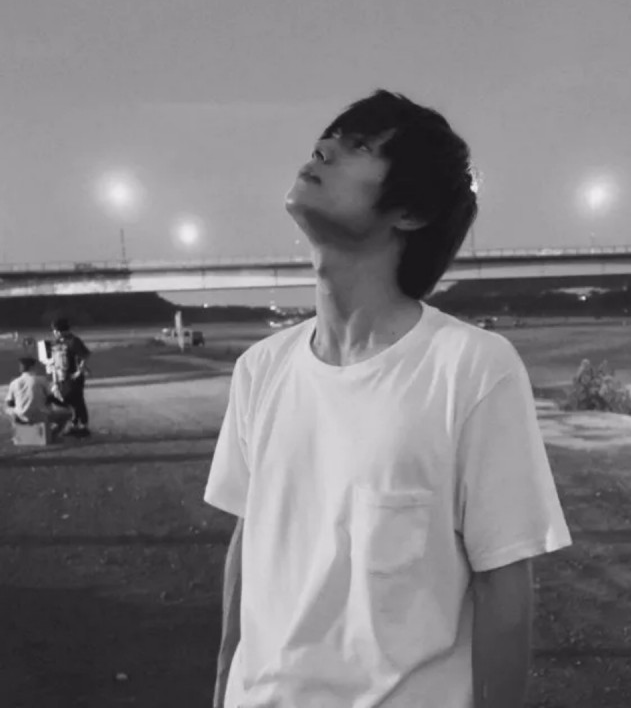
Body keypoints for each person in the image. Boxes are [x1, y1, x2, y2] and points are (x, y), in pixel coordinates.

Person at [205, 90, 573, 708]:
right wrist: (222, 683)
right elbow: (251, 538)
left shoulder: (471, 368)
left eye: (359, 146)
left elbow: (504, 583)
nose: (323, 150)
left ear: (411, 211)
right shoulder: (260, 369)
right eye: (327, 139)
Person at [4, 356, 72, 437]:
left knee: (7, 410)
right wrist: (66, 405)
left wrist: (21, 403)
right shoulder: (41, 380)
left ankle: (19, 431)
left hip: (21, 416)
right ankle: (52, 434)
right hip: (41, 415)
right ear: (32, 367)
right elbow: (51, 398)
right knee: (67, 414)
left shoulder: (14, 383)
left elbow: (9, 403)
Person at [49, 317, 92, 437]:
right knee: (68, 400)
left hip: (73, 377)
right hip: (61, 376)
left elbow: (85, 355)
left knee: (77, 400)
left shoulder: (74, 341)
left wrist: (79, 371)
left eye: (54, 330)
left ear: (58, 330)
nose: (54, 333)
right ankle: (74, 424)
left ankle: (83, 426)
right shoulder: (58, 342)